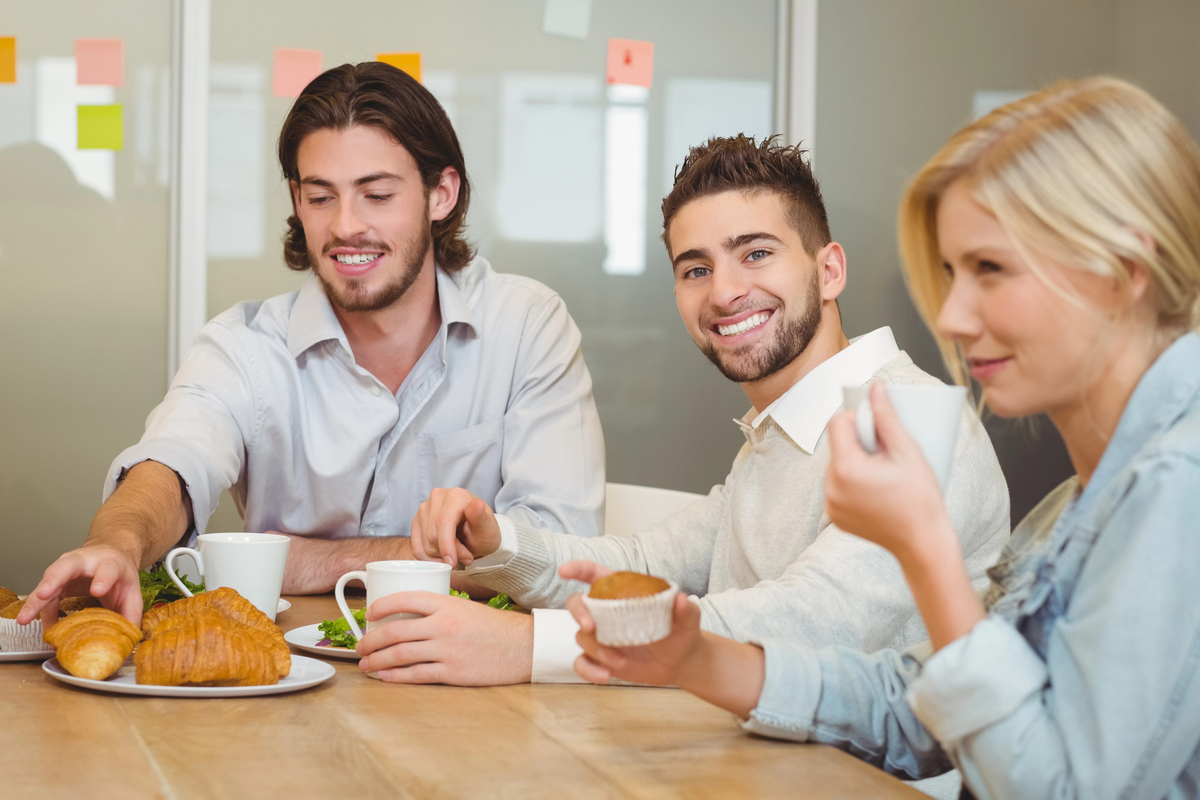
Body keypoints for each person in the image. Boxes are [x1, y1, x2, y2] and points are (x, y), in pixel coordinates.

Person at [566, 77, 1200, 799]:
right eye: (952, 273)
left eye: (991, 269)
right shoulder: (1082, 500)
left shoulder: (1178, 481)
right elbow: (924, 707)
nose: (954, 317)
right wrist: (696, 659)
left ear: (1122, 272)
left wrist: (924, 544)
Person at [369, 136, 1009, 706]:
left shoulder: (908, 422)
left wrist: (526, 644)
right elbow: (644, 561)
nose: (724, 292)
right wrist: (495, 544)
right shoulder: (779, 431)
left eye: (755, 254)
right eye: (696, 269)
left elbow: (811, 620)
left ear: (829, 269)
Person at [19, 61, 604, 628]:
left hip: (478, 687)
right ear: (297, 200)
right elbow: (172, 462)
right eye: (322, 197)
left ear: (441, 194)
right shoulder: (245, 345)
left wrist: (318, 559)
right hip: (284, 688)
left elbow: (565, 558)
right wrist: (117, 543)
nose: (346, 225)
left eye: (376, 195)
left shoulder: (526, 325)